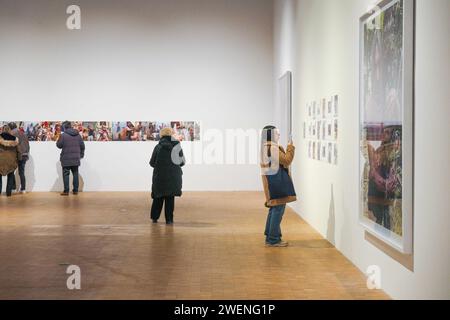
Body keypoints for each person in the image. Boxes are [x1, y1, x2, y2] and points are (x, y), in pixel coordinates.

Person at [260, 125, 296, 247]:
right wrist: (290, 147)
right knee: (278, 210)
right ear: (270, 134)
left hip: (272, 181)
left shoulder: (266, 146)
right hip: (276, 183)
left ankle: (270, 236)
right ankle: (273, 239)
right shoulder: (272, 148)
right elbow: (286, 160)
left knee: (274, 209)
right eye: (276, 133)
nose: (278, 135)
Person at [150, 127, 185, 225]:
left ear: (161, 135)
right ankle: (169, 220)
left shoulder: (158, 147)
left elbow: (152, 163)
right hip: (173, 176)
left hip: (160, 176)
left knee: (158, 197)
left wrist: (160, 166)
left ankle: (154, 217)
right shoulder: (177, 146)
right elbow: (182, 162)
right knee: (170, 198)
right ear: (171, 134)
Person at [56, 121, 85, 196]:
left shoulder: (63, 135)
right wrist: (81, 155)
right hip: (75, 158)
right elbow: (82, 146)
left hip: (66, 158)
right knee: (75, 173)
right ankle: (75, 190)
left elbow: (59, 145)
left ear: (65, 127)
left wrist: (59, 138)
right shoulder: (78, 135)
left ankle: (66, 191)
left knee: (66, 174)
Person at [8, 122, 30, 194]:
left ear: (10, 127)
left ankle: (13, 188)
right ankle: (23, 189)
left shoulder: (12, 134)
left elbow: (11, 146)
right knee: (22, 173)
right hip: (25, 155)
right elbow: (28, 145)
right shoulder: (23, 133)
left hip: (16, 155)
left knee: (11, 171)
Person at [0, 125, 19, 197]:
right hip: (11, 161)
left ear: (3, 129)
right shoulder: (15, 139)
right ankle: (8, 193)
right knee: (10, 176)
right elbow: (18, 150)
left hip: (1, 160)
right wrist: (18, 159)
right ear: (9, 130)